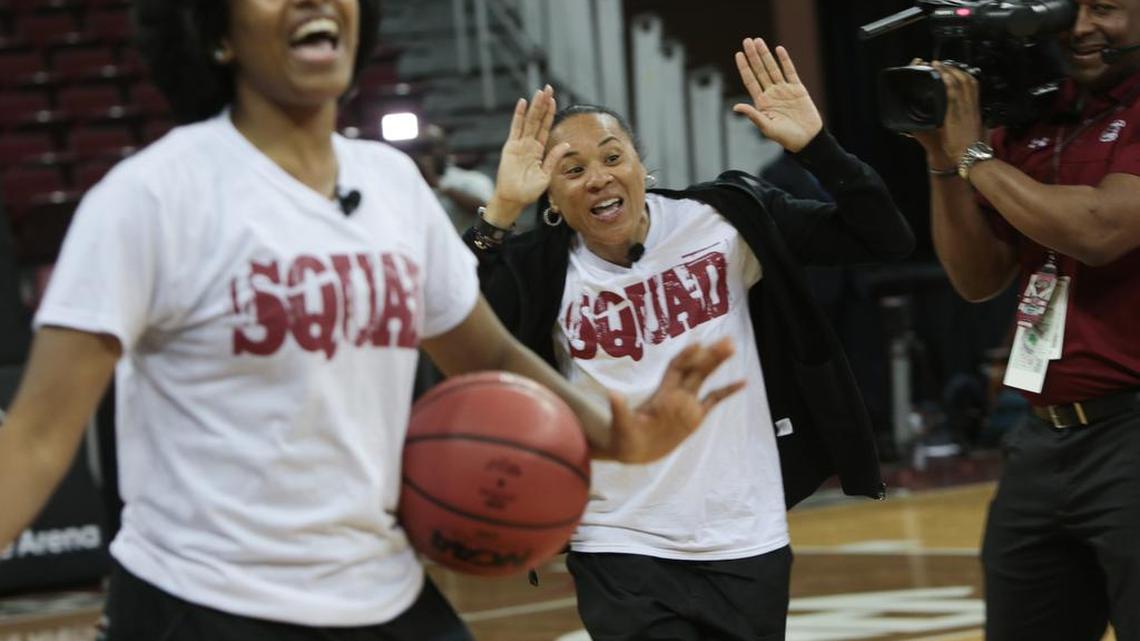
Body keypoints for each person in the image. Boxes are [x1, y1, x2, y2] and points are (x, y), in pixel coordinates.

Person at [0, 2, 743, 640]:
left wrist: (623, 432)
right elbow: (34, 440)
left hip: (381, 587)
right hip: (199, 599)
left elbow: (490, 357)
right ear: (215, 33)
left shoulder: (390, 186)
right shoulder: (150, 197)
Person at [465, 38, 914, 641]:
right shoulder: (538, 270)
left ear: (639, 165)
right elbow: (456, 323)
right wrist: (497, 212)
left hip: (743, 530)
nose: (598, 178)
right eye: (572, 170)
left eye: (612, 156)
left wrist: (819, 149)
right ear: (551, 195)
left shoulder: (726, 222)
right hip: (617, 535)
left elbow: (885, 239)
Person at [910, 0, 1140, 638]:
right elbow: (978, 277)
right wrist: (941, 159)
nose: (1083, 27)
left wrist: (976, 157)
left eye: (1107, 9)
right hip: (1043, 437)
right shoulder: (1040, 115)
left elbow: (1099, 229)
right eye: (1071, 9)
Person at [407, 122, 496, 232]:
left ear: (445, 148)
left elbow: (489, 213)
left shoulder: (470, 180)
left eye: (430, 147)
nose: (425, 155)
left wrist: (439, 186)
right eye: (419, 149)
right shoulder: (405, 186)